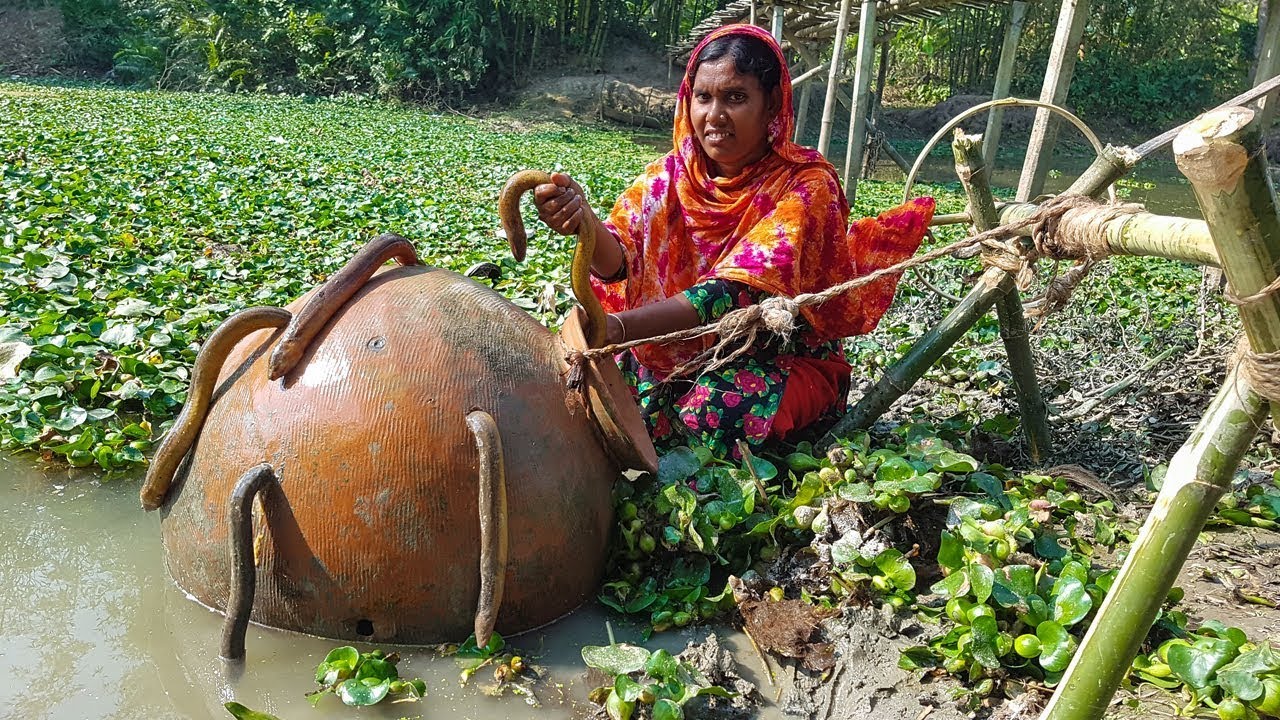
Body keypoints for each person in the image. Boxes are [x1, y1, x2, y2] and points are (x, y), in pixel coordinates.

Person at [534, 23, 934, 458]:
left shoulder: (806, 186)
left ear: (772, 107)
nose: (714, 115)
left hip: (777, 359)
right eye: (703, 97)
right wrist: (585, 224)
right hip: (672, 351)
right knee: (588, 395)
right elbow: (618, 265)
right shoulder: (668, 178)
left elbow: (734, 293)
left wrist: (619, 328)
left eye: (736, 98)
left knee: (713, 414)